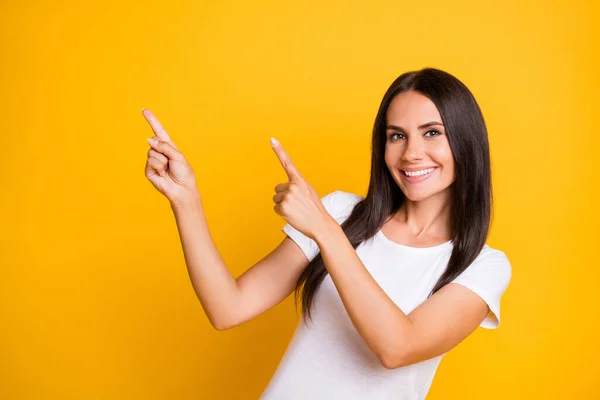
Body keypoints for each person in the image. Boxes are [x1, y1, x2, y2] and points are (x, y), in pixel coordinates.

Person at [142, 67, 512, 400]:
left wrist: (324, 230)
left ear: (466, 142)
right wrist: (186, 200)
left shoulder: (483, 267)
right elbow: (228, 308)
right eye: (396, 135)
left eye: (432, 133)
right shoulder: (341, 212)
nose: (411, 153)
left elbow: (397, 348)